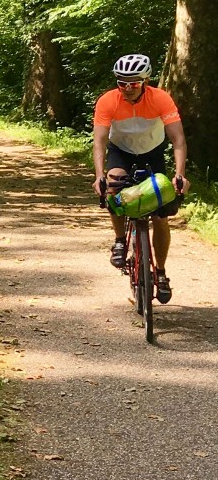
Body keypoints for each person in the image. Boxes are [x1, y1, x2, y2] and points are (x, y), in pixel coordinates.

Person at [91, 53, 189, 303]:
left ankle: (162, 272)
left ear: (145, 82)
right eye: (121, 82)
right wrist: (99, 175)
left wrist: (179, 175)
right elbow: (100, 141)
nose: (127, 88)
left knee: (161, 216)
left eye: (133, 83)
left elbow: (177, 139)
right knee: (113, 185)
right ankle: (120, 241)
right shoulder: (108, 101)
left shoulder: (161, 99)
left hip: (152, 153)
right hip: (121, 152)